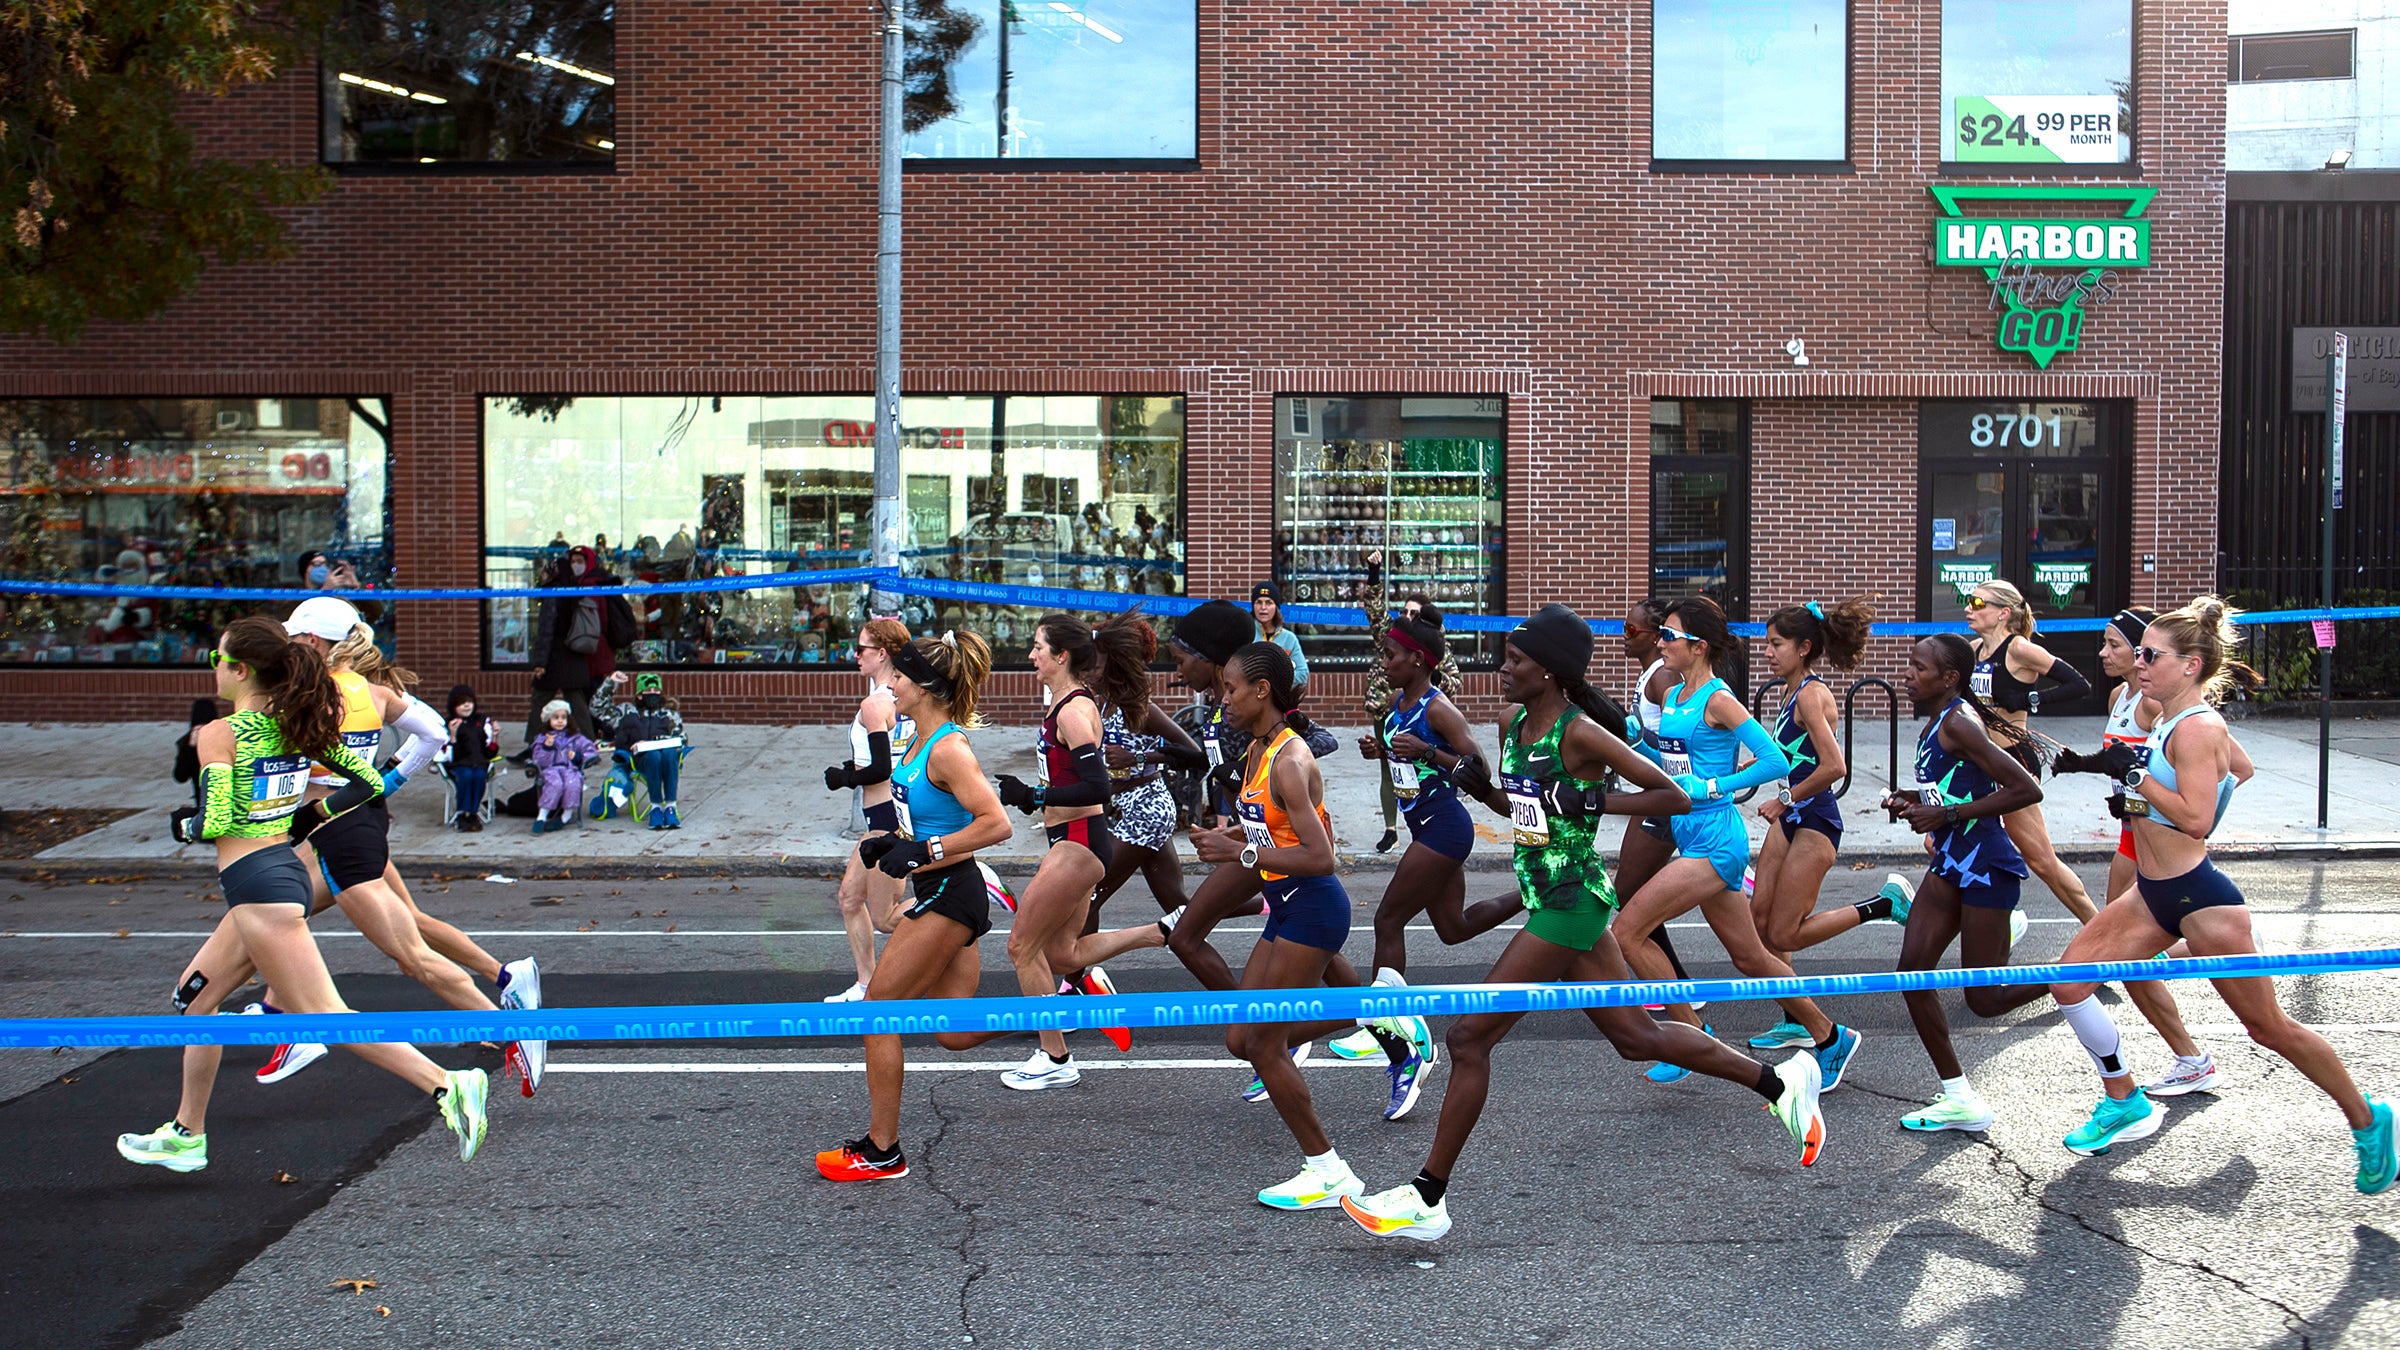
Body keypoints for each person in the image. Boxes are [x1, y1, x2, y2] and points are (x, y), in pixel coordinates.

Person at [1342, 604, 1827, 1241]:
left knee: (1467, 1040)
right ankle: (1781, 1081)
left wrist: (1591, 797)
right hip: (1553, 898)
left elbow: (1670, 795)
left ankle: (1427, 1197)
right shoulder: (1515, 723)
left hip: (1570, 903)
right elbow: (1521, 806)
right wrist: (1456, 771)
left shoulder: (1581, 733)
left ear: (1549, 670)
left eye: (1515, 661)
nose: (1500, 670)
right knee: (1636, 1039)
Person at [2033, 597, 2395, 1193]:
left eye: (2151, 654)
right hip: (2153, 893)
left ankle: (2368, 1117)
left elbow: (2197, 820)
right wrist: (2117, 780)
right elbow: (2221, 780)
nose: (2140, 662)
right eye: (2140, 652)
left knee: (2269, 1028)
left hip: (2200, 899)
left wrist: (2135, 778)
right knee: (2069, 982)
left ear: (2192, 666)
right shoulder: (2162, 718)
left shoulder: (2200, 727)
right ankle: (2123, 1099)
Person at [115, 616, 489, 1173]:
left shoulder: (218, 734)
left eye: (217, 660)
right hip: (277, 874)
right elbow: (365, 784)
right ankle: (186, 1133)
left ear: (240, 670)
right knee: (196, 1003)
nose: (213, 669)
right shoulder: (297, 727)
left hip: (261, 888)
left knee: (322, 1013)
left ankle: (446, 1084)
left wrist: (184, 828)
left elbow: (215, 820)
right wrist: (307, 815)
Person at [245, 598, 543, 1094]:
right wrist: (385, 781)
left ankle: (512, 1029)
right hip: (355, 822)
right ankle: (282, 1014)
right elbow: (430, 736)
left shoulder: (311, 695)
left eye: (294, 639)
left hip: (337, 835)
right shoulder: (371, 690)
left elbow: (291, 766)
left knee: (411, 955)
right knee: (284, 919)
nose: (288, 647)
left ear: (313, 643)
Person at [1189, 641, 1422, 1208]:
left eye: (1231, 689)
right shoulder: (1258, 752)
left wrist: (1238, 857)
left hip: (1315, 905)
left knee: (1266, 1044)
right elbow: (1271, 834)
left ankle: (1328, 1171)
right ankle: (1383, 1015)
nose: (1224, 698)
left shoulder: (1291, 761)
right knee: (1241, 1038)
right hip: (1287, 903)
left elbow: (1321, 856)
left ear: (1261, 691)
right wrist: (1229, 840)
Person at [1160, 600, 1423, 1099]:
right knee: (1295, 972)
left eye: (1182, 658)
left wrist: (1238, 849)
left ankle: (1287, 1041)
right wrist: (1231, 831)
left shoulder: (1265, 733)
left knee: (1196, 941)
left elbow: (1310, 835)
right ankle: (1283, 1031)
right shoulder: (1234, 721)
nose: (1178, 670)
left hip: (1287, 866)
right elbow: (1255, 803)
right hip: (1270, 861)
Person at [1612, 595, 1863, 1088]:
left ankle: (1691, 1035)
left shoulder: (1719, 699)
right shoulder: (1673, 696)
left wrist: (1715, 786)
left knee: (1627, 932)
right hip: (1690, 833)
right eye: (1660, 633)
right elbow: (1672, 765)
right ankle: (1831, 1037)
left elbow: (1775, 761)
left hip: (1717, 840)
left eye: (1669, 635)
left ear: (1699, 646)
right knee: (1750, 958)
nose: (1661, 642)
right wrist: (1634, 740)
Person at [815, 631, 1013, 1183]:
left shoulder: (949, 747)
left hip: (952, 893)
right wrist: (891, 842)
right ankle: (1055, 1005)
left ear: (924, 687)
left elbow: (997, 825)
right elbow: (926, 816)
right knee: (953, 1030)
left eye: (900, 676)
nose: (892, 683)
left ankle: (883, 1151)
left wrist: (921, 851)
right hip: (939, 888)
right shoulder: (916, 741)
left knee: (879, 1010)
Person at [982, 612, 1173, 1088]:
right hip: (1074, 841)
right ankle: (1159, 931)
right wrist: (1034, 796)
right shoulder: (1068, 701)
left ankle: (1055, 1058)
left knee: (1021, 947)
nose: (1031, 655)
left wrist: (1034, 796)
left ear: (1061, 656)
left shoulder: (1071, 710)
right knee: (1064, 955)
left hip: (1081, 843)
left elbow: (1097, 785)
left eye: (1038, 647)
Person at [2048, 607, 2229, 1096]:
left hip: (2150, 838)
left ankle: (2190, 1053)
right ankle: (2187, 1052)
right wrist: (2081, 765)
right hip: (2135, 830)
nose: (2105, 653)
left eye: (2117, 646)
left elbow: (2234, 769)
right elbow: (2122, 758)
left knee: (2128, 956)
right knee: (2125, 952)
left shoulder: (2159, 706)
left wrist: (2171, 807)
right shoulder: (2121, 695)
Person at [1879, 633, 2047, 1133]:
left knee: (1984, 999)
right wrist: (1915, 798)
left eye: (1918, 667)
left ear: (1949, 678)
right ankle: (1958, 1097)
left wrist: (1945, 813)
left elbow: (2024, 788)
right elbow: (1955, 783)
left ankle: (2071, 976)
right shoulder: (1940, 719)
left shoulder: (1959, 722)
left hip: (1987, 866)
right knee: (1913, 972)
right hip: (1952, 862)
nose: (1907, 674)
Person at [1328, 606, 1508, 1066]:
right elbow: (1405, 758)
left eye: (1390, 656)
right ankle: (1530, 891)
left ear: (1418, 661)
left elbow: (1479, 770)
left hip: (1444, 826)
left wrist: (1428, 749)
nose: (1383, 664)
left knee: (1387, 920)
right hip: (1425, 825)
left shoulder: (1439, 709)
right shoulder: (1396, 705)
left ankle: (1384, 1025)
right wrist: (1382, 752)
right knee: (1453, 928)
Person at [1746, 598, 1899, 1046]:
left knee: (1784, 930)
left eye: (1777, 644)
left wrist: (1785, 799)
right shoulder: (1789, 692)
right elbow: (1793, 757)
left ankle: (1882, 905)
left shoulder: (1812, 695)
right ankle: (1795, 1020)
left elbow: (1835, 767)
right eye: (1767, 644)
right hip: (1791, 815)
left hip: (1814, 819)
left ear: (1804, 647)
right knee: (1759, 919)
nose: (1768, 652)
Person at [1963, 579, 2097, 922]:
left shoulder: (2019, 649)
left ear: (2003, 613)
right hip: (1982, 762)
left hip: (2014, 760)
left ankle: (2097, 925)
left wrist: (2029, 699)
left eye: (1978, 604)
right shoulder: (1974, 648)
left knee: (2040, 859)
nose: (1968, 608)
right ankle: (1994, 922)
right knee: (1943, 844)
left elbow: (2079, 684)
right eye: (1968, 601)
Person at [822, 617, 914, 1003]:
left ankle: (968, 887)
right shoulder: (909, 696)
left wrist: (842, 779)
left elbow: (881, 768)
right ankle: (865, 985)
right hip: (887, 817)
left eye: (861, 649)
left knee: (887, 917)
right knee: (848, 897)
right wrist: (852, 768)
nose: (854, 654)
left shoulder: (875, 704)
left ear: (882, 653)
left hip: (888, 822)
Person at [1612, 598, 1700, 997]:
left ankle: (1676, 988)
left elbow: (1673, 741)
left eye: (1631, 631)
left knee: (1630, 895)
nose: (1623, 637)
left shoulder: (1662, 679)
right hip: (1653, 795)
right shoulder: (1652, 674)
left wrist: (1635, 739)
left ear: (1654, 635)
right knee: (1633, 895)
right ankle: (1674, 985)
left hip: (1666, 800)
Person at [1358, 553, 1463, 855]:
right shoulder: (1390, 637)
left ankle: (1428, 822)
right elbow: (1375, 612)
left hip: (1421, 722)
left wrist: (1428, 686)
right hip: (1386, 708)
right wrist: (1374, 572)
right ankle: (1392, 829)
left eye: (1414, 613)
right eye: (1404, 611)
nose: (1407, 617)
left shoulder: (1435, 654)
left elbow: (1455, 681)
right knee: (1389, 766)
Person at [523, 546, 618, 749]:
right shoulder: (575, 588)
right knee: (576, 700)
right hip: (574, 655)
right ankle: (587, 743)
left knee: (540, 699)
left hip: (555, 657)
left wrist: (540, 662)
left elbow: (546, 630)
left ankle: (533, 743)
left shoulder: (553, 593)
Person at [1252, 582, 1338, 759]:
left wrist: (1273, 683)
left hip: (1280, 710)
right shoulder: (1246, 635)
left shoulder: (1289, 639)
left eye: (1268, 602)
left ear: (1276, 607)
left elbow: (1302, 675)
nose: (1263, 607)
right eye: (1258, 602)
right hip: (1251, 707)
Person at [611, 672, 685, 829]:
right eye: (648, 691)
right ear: (639, 695)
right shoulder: (627, 712)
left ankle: (671, 806)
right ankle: (656, 808)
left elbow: (681, 740)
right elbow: (597, 708)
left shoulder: (669, 714)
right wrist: (611, 683)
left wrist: (655, 741)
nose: (653, 694)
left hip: (668, 759)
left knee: (669, 752)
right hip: (641, 760)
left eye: (656, 690)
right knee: (653, 756)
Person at [530, 700, 599, 833]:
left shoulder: (575, 737)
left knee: (572, 783)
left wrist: (578, 757)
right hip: (551, 769)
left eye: (563, 717)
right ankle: (542, 816)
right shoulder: (542, 739)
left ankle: (565, 816)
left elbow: (590, 750)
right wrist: (546, 748)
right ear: (548, 720)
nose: (560, 721)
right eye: (555, 718)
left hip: (570, 768)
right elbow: (538, 759)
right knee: (555, 784)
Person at [443, 684, 500, 831]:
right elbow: (450, 756)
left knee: (479, 776)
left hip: (479, 762)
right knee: (467, 776)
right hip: (458, 765)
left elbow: (490, 753)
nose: (466, 705)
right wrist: (453, 735)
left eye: (469, 701)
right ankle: (463, 813)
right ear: (453, 706)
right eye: (461, 703)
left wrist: (494, 737)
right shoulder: (449, 724)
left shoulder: (481, 722)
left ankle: (473, 812)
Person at [173, 696, 219, 812]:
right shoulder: (186, 743)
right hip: (202, 803)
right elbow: (180, 776)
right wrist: (191, 748)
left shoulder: (223, 738)